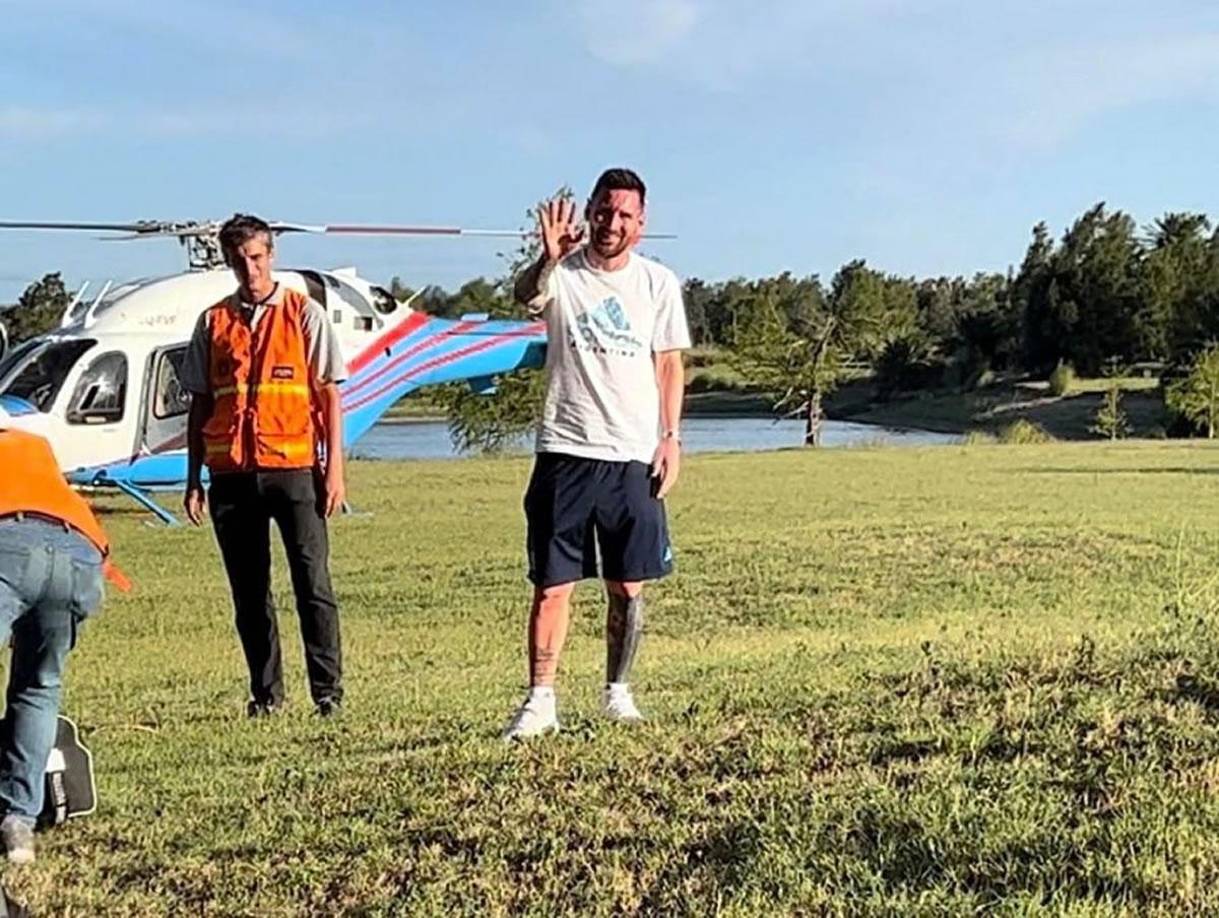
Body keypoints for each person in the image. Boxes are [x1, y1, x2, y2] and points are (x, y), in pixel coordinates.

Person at [502, 168, 690, 740]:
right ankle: (540, 702)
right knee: (553, 584)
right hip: (566, 448)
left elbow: (668, 364)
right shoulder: (562, 275)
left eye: (625, 216)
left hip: (632, 456)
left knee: (627, 584)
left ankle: (618, 692)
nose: (612, 224)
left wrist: (671, 437)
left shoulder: (658, 283)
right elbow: (526, 298)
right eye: (604, 212)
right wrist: (547, 258)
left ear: (642, 223)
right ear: (590, 210)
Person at [180, 214, 347, 718]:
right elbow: (200, 405)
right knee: (249, 595)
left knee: (312, 585)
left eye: (255, 258)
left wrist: (334, 468)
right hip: (230, 474)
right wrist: (193, 478)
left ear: (271, 255)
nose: (248, 269)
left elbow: (329, 396)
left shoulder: (303, 313)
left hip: (294, 469)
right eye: (238, 261)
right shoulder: (213, 322)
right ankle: (267, 694)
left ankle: (328, 694)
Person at [0, 408, 127, 863]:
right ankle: (18, 826)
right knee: (38, 688)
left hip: (8, 543)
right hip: (79, 553)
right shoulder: (33, 446)